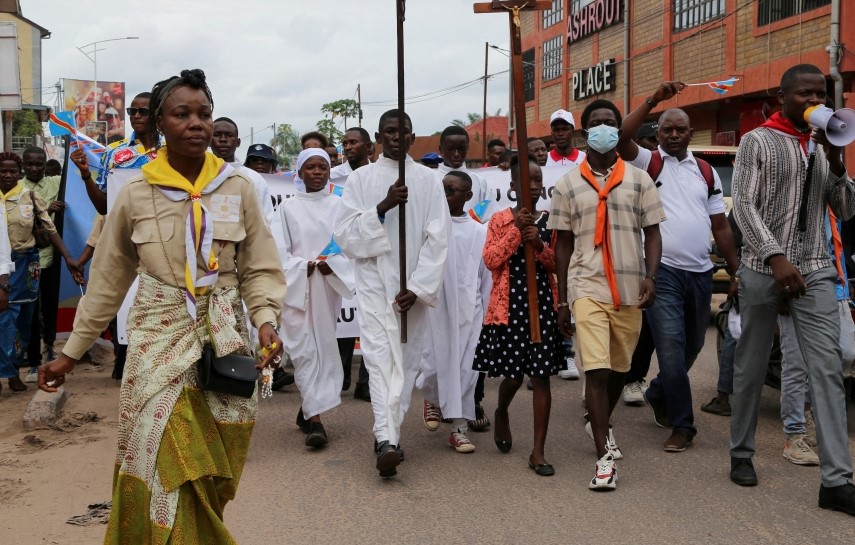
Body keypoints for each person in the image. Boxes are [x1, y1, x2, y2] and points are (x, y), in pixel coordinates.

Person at [40, 69, 286, 541]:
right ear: (159, 123)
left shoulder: (239, 190)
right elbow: (109, 280)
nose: (197, 123)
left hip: (225, 339)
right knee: (168, 455)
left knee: (214, 468)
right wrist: (72, 354)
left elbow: (260, 267)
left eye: (204, 114)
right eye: (183, 114)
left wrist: (266, 321)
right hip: (157, 340)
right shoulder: (134, 193)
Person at [729, 64, 855, 516]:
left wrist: (837, 161)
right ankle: (741, 454)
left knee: (827, 370)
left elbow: (844, 209)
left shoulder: (824, 145)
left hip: (817, 268)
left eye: (820, 93)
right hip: (763, 267)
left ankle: (837, 481)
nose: (814, 100)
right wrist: (773, 256)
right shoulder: (756, 141)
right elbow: (742, 204)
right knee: (751, 364)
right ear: (781, 96)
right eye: (805, 93)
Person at [616, 82, 738, 453]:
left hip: (701, 272)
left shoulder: (706, 171)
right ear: (659, 132)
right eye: (666, 129)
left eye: (679, 129)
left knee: (694, 345)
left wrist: (736, 271)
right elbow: (623, 135)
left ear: (689, 133)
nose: (672, 135)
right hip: (662, 271)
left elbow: (720, 225)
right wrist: (654, 99)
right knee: (671, 348)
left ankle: (657, 391)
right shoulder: (648, 162)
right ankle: (683, 426)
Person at [551, 99, 665, 490]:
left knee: (619, 369)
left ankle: (596, 421)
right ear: (585, 133)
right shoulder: (567, 185)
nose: (603, 128)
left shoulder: (639, 180)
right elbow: (562, 243)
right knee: (596, 370)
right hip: (586, 285)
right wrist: (564, 297)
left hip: (631, 287)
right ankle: (603, 457)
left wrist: (651, 275)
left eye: (610, 123)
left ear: (619, 130)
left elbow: (652, 231)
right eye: (596, 123)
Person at [334, 109, 450, 478]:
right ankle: (387, 439)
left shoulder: (430, 181)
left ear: (413, 138)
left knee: (407, 360)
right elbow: (345, 236)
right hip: (373, 282)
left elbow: (439, 238)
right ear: (379, 138)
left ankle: (389, 432)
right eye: (389, 132)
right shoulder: (361, 180)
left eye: (404, 132)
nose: (397, 138)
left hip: (411, 289)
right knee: (379, 360)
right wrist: (382, 207)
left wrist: (416, 288)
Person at [474, 155, 564, 477]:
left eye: (539, 180)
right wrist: (517, 232)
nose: (535, 186)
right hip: (510, 310)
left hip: (541, 307)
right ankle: (501, 411)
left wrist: (538, 243)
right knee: (514, 376)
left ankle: (537, 452)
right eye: (527, 181)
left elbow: (557, 265)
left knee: (541, 378)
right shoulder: (499, 220)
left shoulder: (551, 219)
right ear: (513, 187)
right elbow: (490, 259)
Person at [280, 148, 354, 449]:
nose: (317, 172)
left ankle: (313, 417)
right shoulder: (287, 208)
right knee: (303, 351)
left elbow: (349, 245)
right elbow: (278, 250)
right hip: (296, 287)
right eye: (310, 167)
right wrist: (302, 266)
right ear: (299, 172)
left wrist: (332, 264)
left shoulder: (340, 206)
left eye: (323, 167)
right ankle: (313, 416)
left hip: (326, 286)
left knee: (321, 348)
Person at [417, 171, 490, 453]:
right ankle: (432, 398)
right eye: (443, 189)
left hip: (468, 311)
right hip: (434, 308)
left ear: (468, 196)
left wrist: (486, 315)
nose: (446, 195)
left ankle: (458, 430)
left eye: (453, 190)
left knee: (466, 370)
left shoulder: (479, 231)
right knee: (433, 364)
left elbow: (485, 276)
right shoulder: (429, 227)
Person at [0, 152, 78, 393]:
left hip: (27, 267)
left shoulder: (30, 197)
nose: (8, 175)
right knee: (4, 321)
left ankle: (14, 367)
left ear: (19, 170)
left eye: (13, 171)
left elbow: (50, 229)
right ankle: (7, 372)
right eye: (3, 171)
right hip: (1, 268)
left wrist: (68, 258)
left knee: (25, 322)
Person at [328, 126, 373, 401]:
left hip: (370, 253)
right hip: (341, 254)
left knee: (369, 321)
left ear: (369, 147)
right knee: (346, 319)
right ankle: (342, 374)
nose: (348, 147)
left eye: (353, 142)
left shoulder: (378, 175)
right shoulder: (333, 177)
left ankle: (365, 382)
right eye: (344, 143)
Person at [620, 120, 661, 404]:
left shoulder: (698, 170)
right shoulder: (635, 170)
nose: (654, 147)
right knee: (643, 328)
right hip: (636, 261)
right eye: (650, 141)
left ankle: (656, 386)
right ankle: (631, 379)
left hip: (677, 264)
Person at [20, 147, 64, 380]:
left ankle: (49, 346)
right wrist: (48, 208)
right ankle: (33, 358)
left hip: (52, 258)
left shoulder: (56, 182)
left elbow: (76, 184)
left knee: (50, 306)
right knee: (31, 311)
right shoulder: (17, 188)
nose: (35, 168)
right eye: (30, 164)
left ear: (45, 164)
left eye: (40, 164)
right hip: (28, 260)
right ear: (24, 165)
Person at [79, 92, 158, 216]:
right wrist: (86, 174)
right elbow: (103, 207)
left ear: (156, 114)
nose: (136, 116)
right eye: (132, 111)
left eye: (143, 111)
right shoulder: (112, 151)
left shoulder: (172, 150)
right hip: (125, 231)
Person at [436, 125, 490, 213]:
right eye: (451, 149)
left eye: (461, 149)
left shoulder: (479, 182)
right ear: (440, 149)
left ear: (467, 148)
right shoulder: (430, 179)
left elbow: (488, 212)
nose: (456, 154)